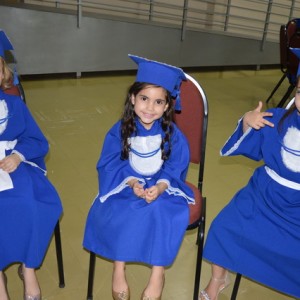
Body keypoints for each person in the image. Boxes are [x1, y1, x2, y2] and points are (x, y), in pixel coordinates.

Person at [83, 54, 195, 300]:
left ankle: (158, 272)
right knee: (120, 209)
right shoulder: (120, 130)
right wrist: (132, 182)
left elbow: (177, 165)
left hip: (163, 185)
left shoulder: (172, 134)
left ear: (167, 106)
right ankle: (119, 266)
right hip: (125, 182)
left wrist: (162, 186)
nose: (149, 108)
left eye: (158, 102)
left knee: (162, 212)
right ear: (133, 98)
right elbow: (110, 163)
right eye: (144, 99)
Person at [199, 48, 300, 300]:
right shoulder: (275, 119)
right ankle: (218, 278)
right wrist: (247, 121)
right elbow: (250, 142)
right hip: (263, 197)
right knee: (223, 226)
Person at [0, 30, 63, 300]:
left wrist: (17, 156)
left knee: (31, 202)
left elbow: (37, 140)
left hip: (15, 165)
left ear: (2, 72)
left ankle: (29, 268)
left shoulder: (13, 105)